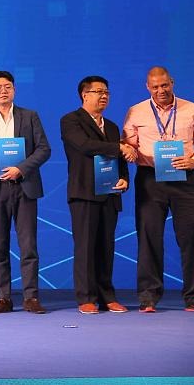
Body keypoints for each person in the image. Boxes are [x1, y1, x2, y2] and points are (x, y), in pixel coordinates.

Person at [0, 71, 51, 314]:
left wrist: (21, 168)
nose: (3, 91)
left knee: (28, 245)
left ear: (14, 90)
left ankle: (31, 297)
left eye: (8, 87)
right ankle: (3, 297)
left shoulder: (29, 116)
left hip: (24, 186)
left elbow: (44, 149)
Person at [122, 66, 194, 312]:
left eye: (164, 85)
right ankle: (148, 297)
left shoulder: (191, 109)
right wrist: (128, 150)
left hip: (186, 178)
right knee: (148, 236)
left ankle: (193, 297)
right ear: (147, 87)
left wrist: (193, 161)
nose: (160, 90)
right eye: (155, 87)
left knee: (190, 237)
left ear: (172, 82)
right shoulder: (136, 111)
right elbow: (128, 143)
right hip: (150, 179)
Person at [60, 75, 132, 314]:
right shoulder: (71, 120)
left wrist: (124, 179)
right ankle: (86, 297)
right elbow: (85, 145)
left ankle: (107, 296)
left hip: (109, 192)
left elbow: (119, 159)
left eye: (107, 92)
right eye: (99, 92)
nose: (104, 96)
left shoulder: (111, 126)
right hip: (84, 193)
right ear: (85, 95)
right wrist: (119, 147)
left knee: (106, 247)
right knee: (85, 247)